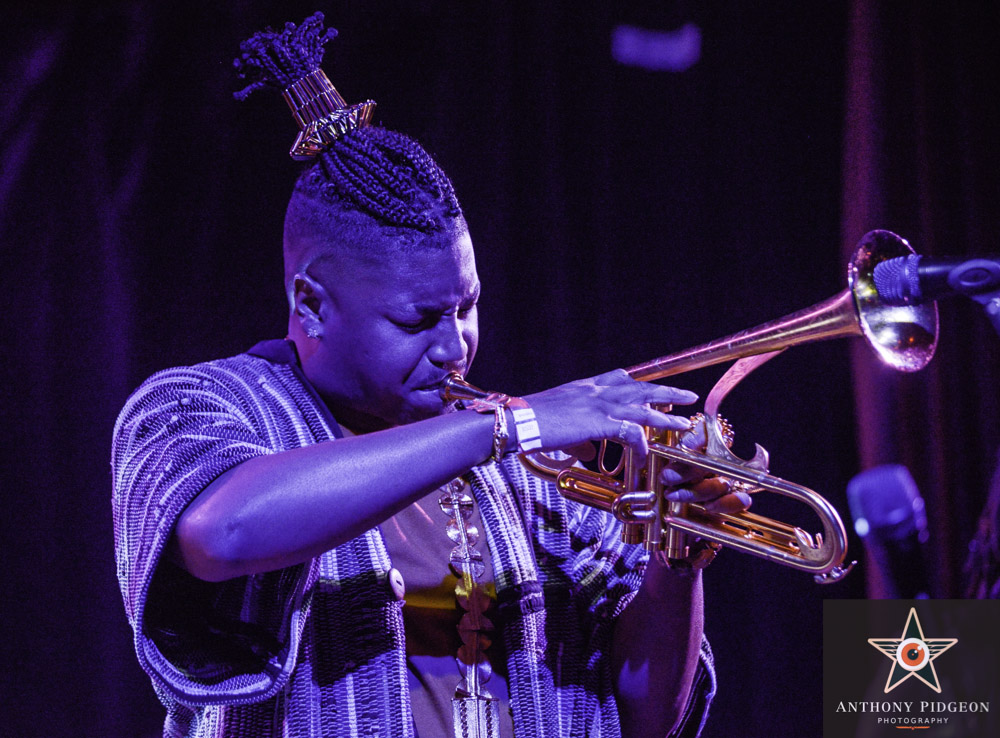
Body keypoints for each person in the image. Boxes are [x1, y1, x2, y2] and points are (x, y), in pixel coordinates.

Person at [112, 13, 748, 738]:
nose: (456, 347)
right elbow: (220, 532)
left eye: (468, 307)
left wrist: (678, 553)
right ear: (311, 304)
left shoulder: (526, 464)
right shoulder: (198, 406)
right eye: (417, 322)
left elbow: (645, 714)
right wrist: (507, 428)